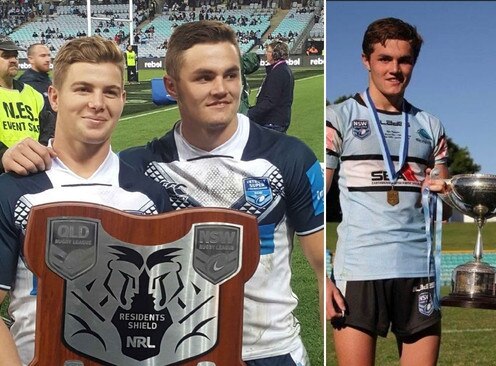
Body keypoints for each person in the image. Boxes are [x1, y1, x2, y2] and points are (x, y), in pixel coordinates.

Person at [2, 21, 324, 366]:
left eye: (231, 75)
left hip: (265, 350)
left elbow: (323, 269)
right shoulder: (141, 170)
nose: (221, 88)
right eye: (204, 77)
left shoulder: (150, 188)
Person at [0, 36, 172, 366]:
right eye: (82, 89)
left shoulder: (148, 196)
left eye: (109, 91)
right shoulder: (13, 192)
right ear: (54, 96)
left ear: (122, 98)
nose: (97, 102)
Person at [325, 17, 450, 366]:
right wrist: (323, 279)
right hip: (360, 271)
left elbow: (445, 203)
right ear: (366, 60)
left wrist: (447, 192)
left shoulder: (430, 126)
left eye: (404, 60)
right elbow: (314, 203)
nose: (395, 69)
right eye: (384, 59)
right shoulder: (338, 118)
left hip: (418, 270)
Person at [0, 36, 54, 173]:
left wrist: (38, 153)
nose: (13, 60)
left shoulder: (32, 94)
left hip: (34, 172)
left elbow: (47, 128)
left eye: (15, 56)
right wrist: (4, 157)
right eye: (6, 56)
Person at [248, 40, 294, 133]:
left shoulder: (278, 72)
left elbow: (270, 101)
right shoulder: (282, 69)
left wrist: (249, 113)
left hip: (272, 122)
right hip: (275, 121)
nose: (266, 54)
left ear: (276, 54)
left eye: (268, 51)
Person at [17, 43, 54, 113]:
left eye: (49, 55)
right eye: (43, 56)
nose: (48, 59)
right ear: (31, 59)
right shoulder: (26, 83)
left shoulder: (46, 78)